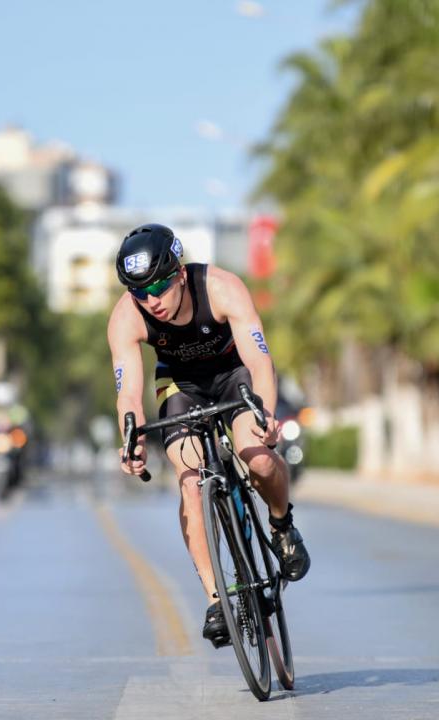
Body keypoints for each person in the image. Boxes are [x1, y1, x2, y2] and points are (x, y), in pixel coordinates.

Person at [106, 222, 309, 648]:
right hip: (180, 385)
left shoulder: (221, 287)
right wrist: (133, 439)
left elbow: (258, 359)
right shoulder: (127, 315)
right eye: (139, 292)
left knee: (255, 454)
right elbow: (128, 390)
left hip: (234, 374)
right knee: (189, 479)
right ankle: (218, 599)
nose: (151, 301)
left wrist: (266, 414)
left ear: (178, 273)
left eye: (158, 287)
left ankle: (282, 524)